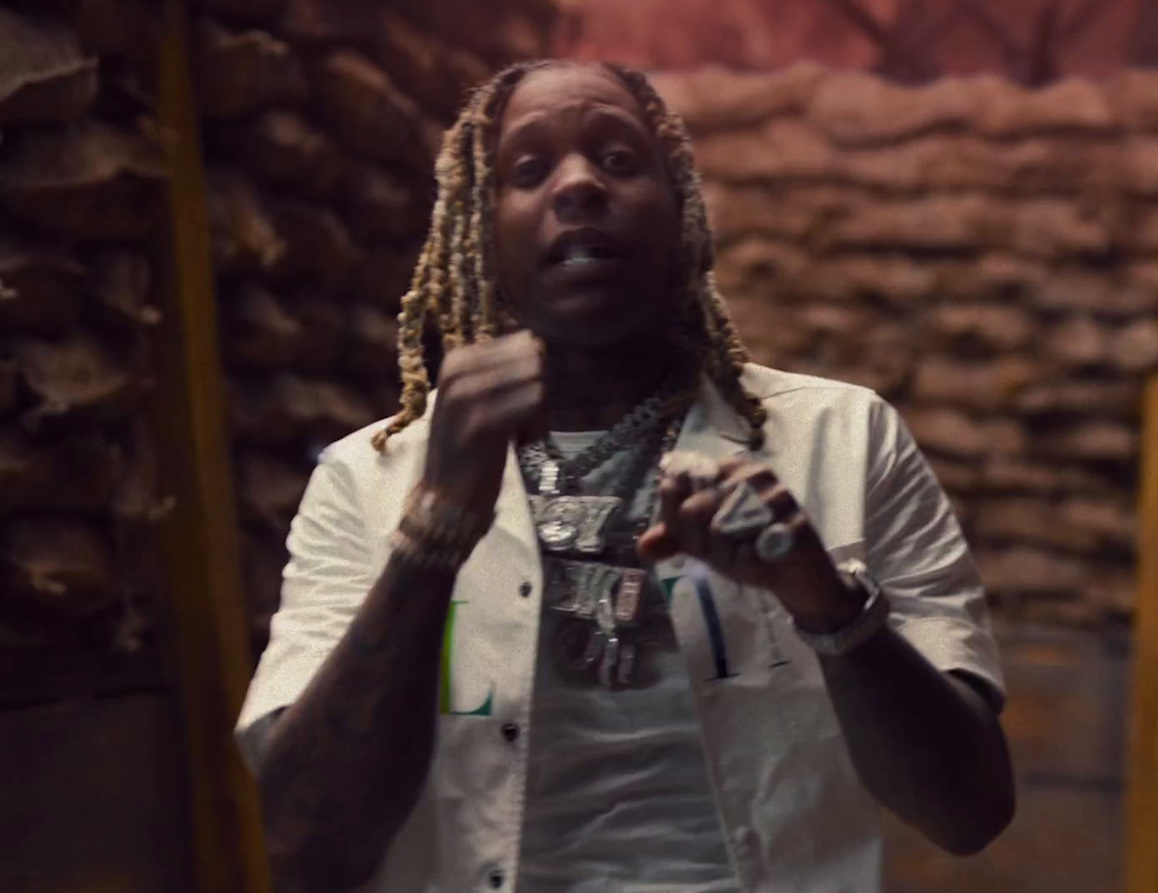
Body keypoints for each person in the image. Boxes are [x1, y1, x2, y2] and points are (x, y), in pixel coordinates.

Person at [235, 59, 1014, 893]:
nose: (577, 185)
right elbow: (304, 846)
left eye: (616, 158)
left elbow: (968, 812)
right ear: (478, 229)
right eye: (529, 170)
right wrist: (436, 528)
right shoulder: (370, 478)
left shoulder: (843, 439)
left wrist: (824, 600)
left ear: (679, 209)